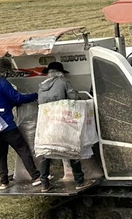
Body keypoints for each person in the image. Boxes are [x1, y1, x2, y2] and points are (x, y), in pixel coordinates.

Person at [0, 57, 41, 189]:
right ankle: (36, 177)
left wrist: (11, 103)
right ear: (5, 70)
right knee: (23, 148)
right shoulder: (1, 83)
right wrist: (35, 95)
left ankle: (3, 182)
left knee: (1, 154)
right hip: (6, 125)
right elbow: (16, 97)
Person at [36, 62, 92, 193]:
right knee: (71, 148)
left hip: (46, 122)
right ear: (60, 73)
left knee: (46, 151)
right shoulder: (63, 82)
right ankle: (79, 181)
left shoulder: (41, 86)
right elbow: (74, 98)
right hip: (62, 121)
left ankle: (44, 183)